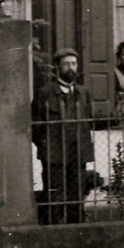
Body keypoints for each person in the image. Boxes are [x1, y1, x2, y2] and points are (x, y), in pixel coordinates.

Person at [31, 48, 94, 224]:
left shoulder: (83, 93)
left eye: (74, 64)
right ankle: (51, 233)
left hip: (78, 152)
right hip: (55, 154)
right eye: (66, 64)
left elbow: (92, 121)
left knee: (76, 197)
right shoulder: (45, 93)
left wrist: (117, 117)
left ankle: (76, 234)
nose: (71, 68)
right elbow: (35, 125)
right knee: (54, 197)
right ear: (57, 67)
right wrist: (45, 144)